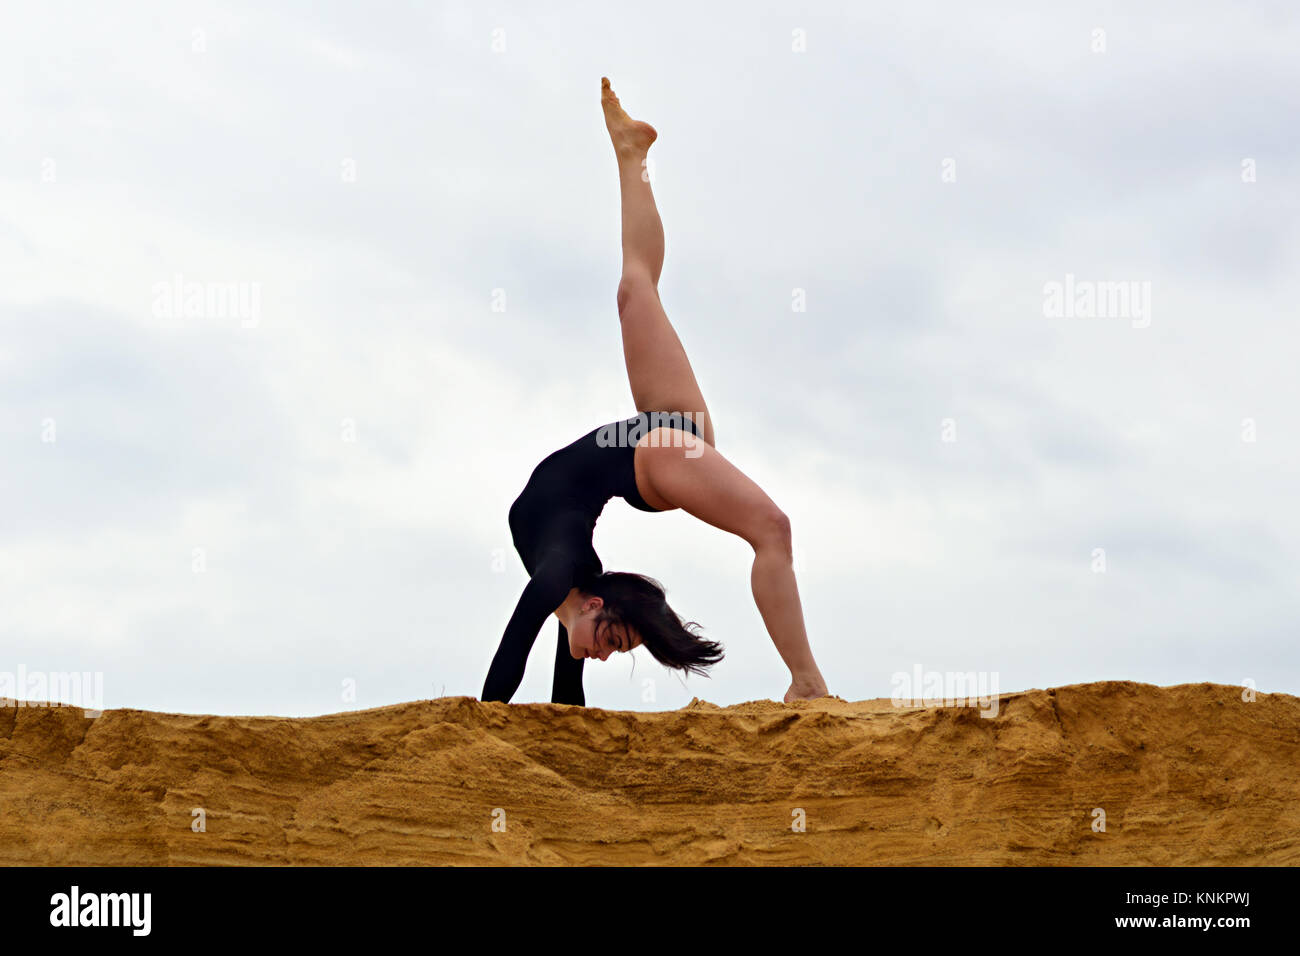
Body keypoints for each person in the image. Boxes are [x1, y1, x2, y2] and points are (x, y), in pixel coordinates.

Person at [480, 78, 830, 707]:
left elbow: (515, 652)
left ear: (593, 605)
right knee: (635, 288)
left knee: (635, 288)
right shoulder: (576, 587)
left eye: (609, 640)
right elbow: (568, 703)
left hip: (655, 446)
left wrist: (480, 724)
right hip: (657, 444)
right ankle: (632, 156)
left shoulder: (559, 579)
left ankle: (807, 683)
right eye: (618, 644)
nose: (605, 652)